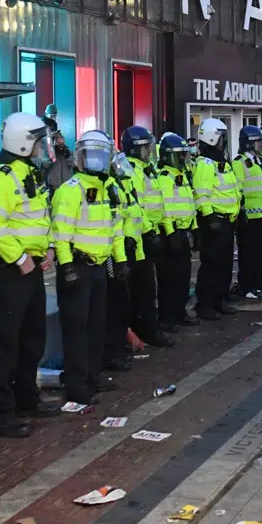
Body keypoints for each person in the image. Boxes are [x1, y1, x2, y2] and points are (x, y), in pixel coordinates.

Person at [0, 113, 59, 439]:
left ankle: (27, 398)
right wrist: (21, 258)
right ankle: (0, 413)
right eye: (40, 142)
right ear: (24, 143)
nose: (44, 147)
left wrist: (49, 247)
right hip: (11, 269)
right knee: (6, 341)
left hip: (32, 267)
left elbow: (41, 218)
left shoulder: (32, 175)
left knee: (32, 337)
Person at [51, 130, 128, 406]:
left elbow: (115, 228)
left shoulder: (109, 188)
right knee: (76, 329)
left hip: (99, 267)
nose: (96, 160)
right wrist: (66, 265)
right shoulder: (70, 190)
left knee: (97, 325)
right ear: (81, 158)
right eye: (91, 155)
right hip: (77, 267)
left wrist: (120, 260)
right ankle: (76, 385)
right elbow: (60, 233)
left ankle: (93, 375)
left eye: (100, 155)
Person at [120, 127, 174, 347]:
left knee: (147, 287)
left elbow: (157, 202)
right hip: (139, 237)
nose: (149, 151)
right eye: (145, 148)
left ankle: (147, 329)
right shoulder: (133, 170)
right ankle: (146, 331)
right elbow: (138, 206)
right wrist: (149, 231)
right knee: (143, 289)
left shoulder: (145, 169)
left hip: (149, 234)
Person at [192, 119, 240, 318]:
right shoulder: (205, 164)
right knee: (212, 264)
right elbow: (201, 193)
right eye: (221, 138)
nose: (224, 142)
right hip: (214, 221)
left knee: (225, 264)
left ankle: (219, 300)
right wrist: (209, 216)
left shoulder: (222, 163)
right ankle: (205, 305)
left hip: (226, 221)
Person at [103, 150, 144, 373]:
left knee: (120, 302)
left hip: (122, 251)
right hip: (109, 255)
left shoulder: (118, 185)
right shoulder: (108, 186)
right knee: (113, 304)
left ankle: (118, 348)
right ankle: (112, 352)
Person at [154, 133, 198, 328]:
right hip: (171, 234)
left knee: (183, 277)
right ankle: (167, 317)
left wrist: (195, 228)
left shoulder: (182, 175)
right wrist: (170, 232)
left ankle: (180, 311)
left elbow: (189, 203)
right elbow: (165, 207)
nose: (182, 158)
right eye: (178, 154)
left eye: (183, 154)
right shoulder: (164, 177)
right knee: (169, 279)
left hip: (184, 232)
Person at [234, 125, 262, 296]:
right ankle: (247, 285)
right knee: (248, 253)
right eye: (257, 142)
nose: (261, 145)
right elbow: (237, 188)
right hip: (250, 217)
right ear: (248, 144)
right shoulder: (239, 162)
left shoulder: (261, 160)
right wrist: (241, 211)